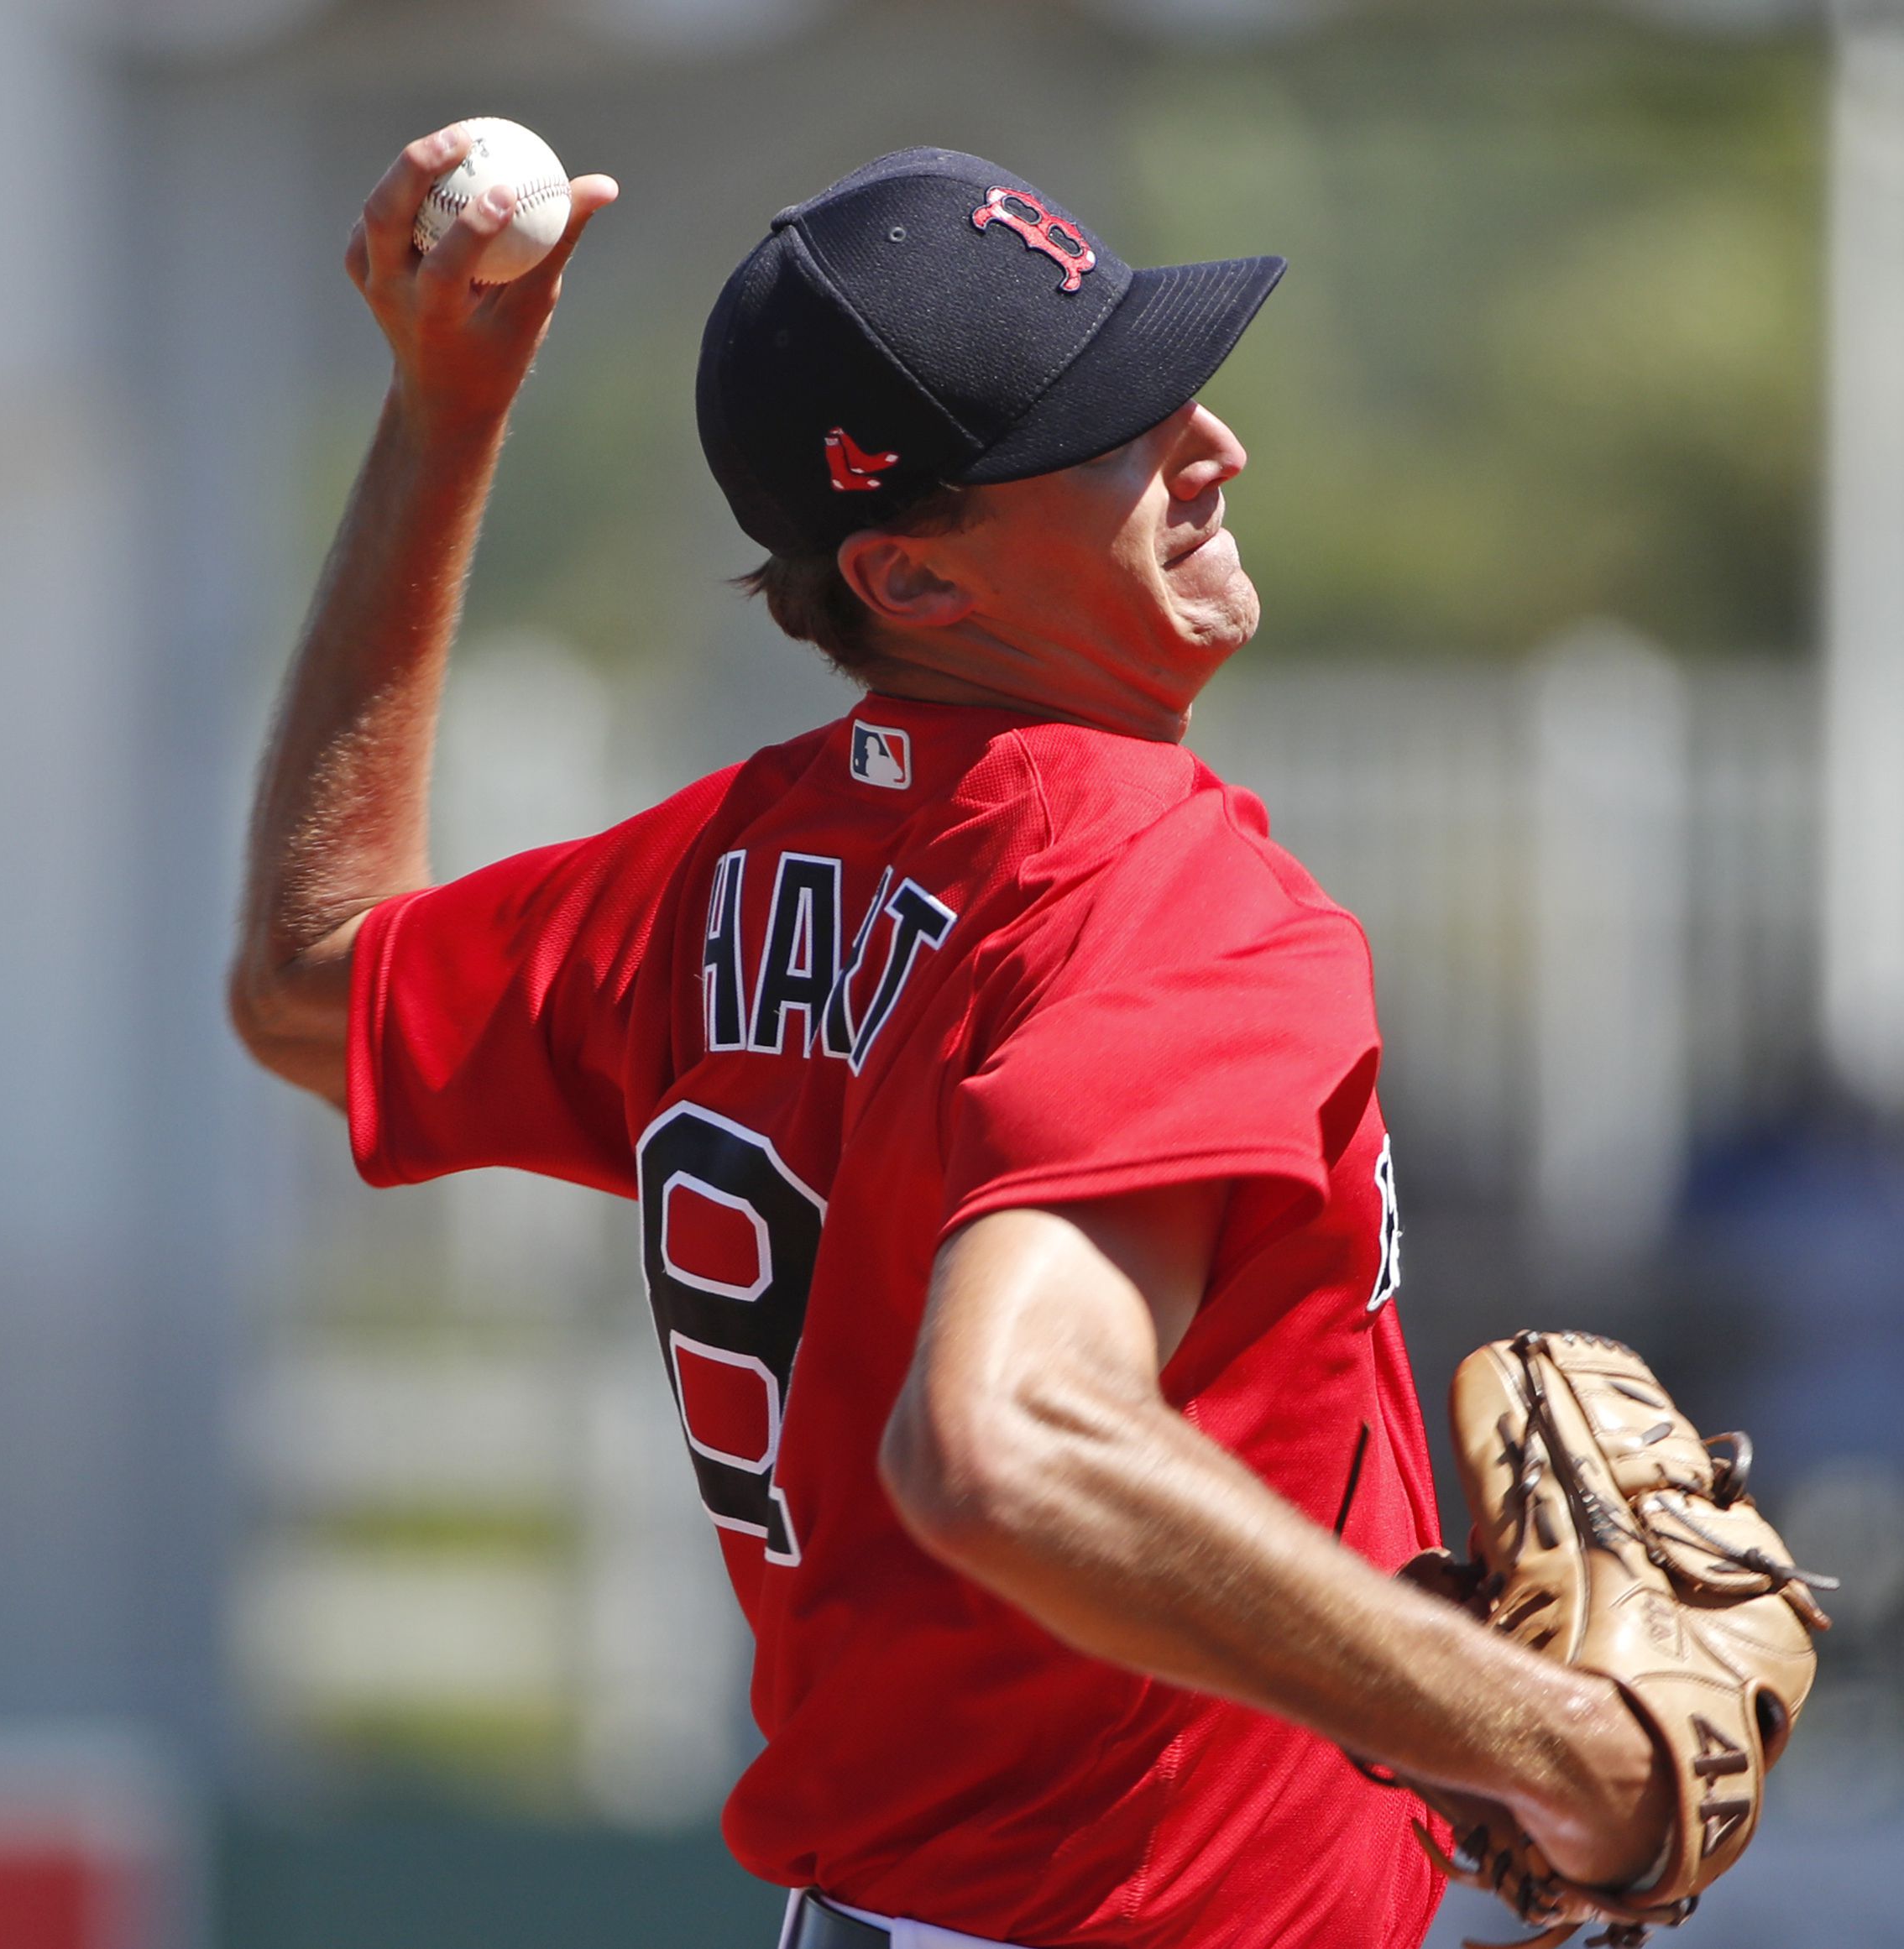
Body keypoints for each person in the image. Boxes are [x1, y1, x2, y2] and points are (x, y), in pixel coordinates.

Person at [228, 132, 1672, 1949]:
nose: (1209, 443)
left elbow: (309, 977)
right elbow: (1012, 1450)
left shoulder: (715, 875)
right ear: (912, 582)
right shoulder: (1158, 888)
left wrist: (442, 419)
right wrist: (1554, 1751)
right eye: (1111, 429)